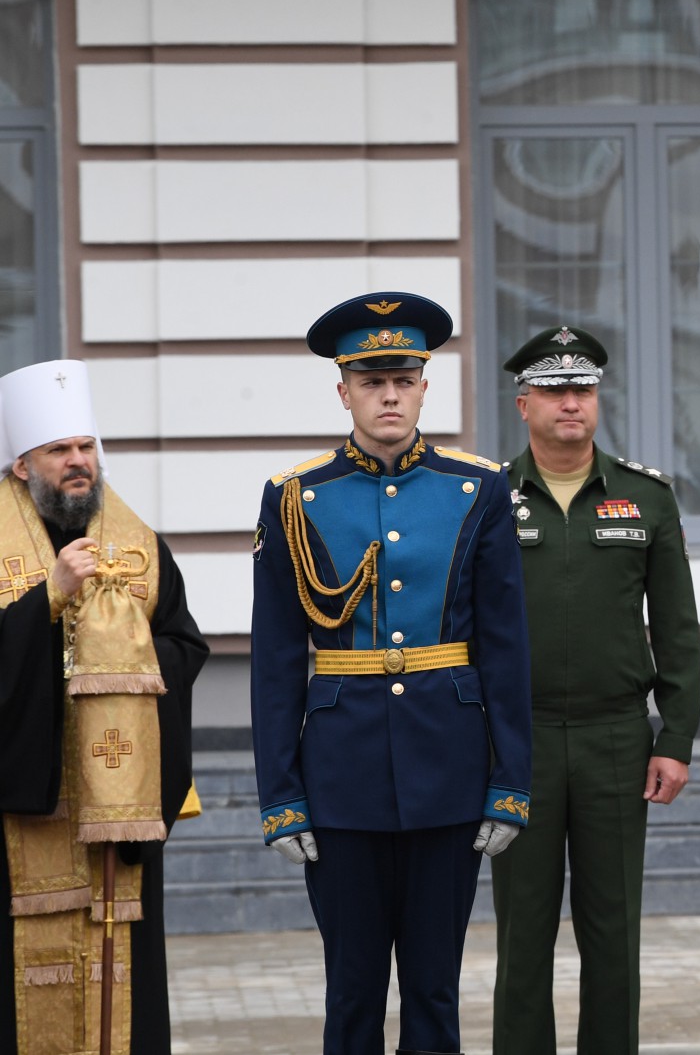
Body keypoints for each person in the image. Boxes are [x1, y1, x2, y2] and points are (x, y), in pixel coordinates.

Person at [250, 291, 532, 1055]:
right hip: (341, 778)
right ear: (343, 391)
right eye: (371, 382)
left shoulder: (477, 486)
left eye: (402, 379)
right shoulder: (296, 497)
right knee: (351, 993)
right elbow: (276, 660)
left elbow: (506, 646)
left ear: (424, 386)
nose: (389, 395)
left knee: (437, 992)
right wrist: (281, 794)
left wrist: (511, 780)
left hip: (449, 766)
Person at [490, 326, 700, 1055]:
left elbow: (677, 629)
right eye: (553, 390)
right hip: (521, 742)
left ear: (598, 400)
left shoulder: (646, 497)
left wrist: (675, 739)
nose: (570, 403)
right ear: (524, 404)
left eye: (582, 389)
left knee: (613, 934)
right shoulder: (489, 497)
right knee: (522, 933)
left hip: (618, 737)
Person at [0, 360, 208, 1055]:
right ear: (22, 461)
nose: (79, 463)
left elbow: (185, 644)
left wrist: (124, 661)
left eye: (86, 447)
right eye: (61, 451)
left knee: (123, 984)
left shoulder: (139, 547)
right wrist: (46, 601)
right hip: (18, 814)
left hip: (114, 812)